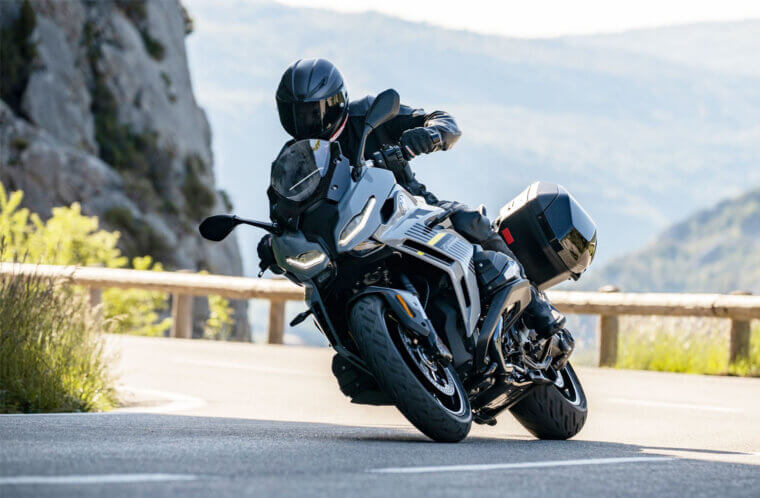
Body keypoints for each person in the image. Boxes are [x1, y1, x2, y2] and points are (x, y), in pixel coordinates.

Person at [259, 59, 566, 396]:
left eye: (312, 112)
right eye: (296, 114)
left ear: (336, 102)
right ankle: (374, 360)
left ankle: (538, 308)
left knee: (468, 221)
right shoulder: (293, 160)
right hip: (351, 242)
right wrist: (274, 241)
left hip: (411, 209)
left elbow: (443, 121)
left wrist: (428, 135)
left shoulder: (368, 116)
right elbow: (283, 211)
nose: (305, 122)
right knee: (323, 293)